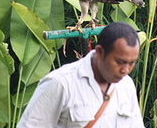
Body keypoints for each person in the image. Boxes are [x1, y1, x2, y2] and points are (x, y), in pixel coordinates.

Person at [17, 22, 145, 128]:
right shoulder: (60, 83)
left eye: (132, 63)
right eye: (120, 62)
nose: (126, 70)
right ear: (100, 52)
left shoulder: (126, 85)